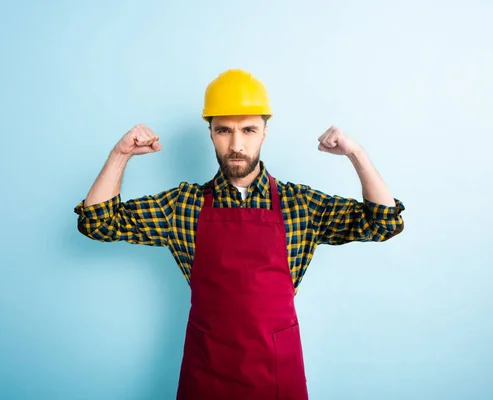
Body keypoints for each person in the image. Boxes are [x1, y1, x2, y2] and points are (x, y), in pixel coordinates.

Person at [74, 69, 405, 400]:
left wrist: (355, 153)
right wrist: (121, 153)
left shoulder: (300, 204)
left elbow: (384, 222)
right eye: (223, 131)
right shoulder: (183, 205)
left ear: (264, 133)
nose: (236, 144)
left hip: (278, 375)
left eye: (248, 130)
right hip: (207, 373)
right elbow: (98, 222)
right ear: (210, 134)